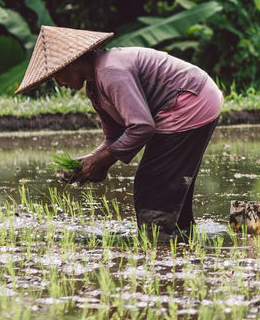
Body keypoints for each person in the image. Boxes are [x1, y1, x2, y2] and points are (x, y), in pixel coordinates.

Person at [16, 25, 223, 240]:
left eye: (58, 75)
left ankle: (160, 244)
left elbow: (142, 127)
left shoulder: (110, 72)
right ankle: (180, 238)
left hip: (190, 101)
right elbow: (114, 137)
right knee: (169, 181)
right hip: (193, 100)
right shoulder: (95, 87)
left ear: (74, 63)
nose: (59, 83)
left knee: (154, 183)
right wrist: (91, 160)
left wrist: (100, 161)